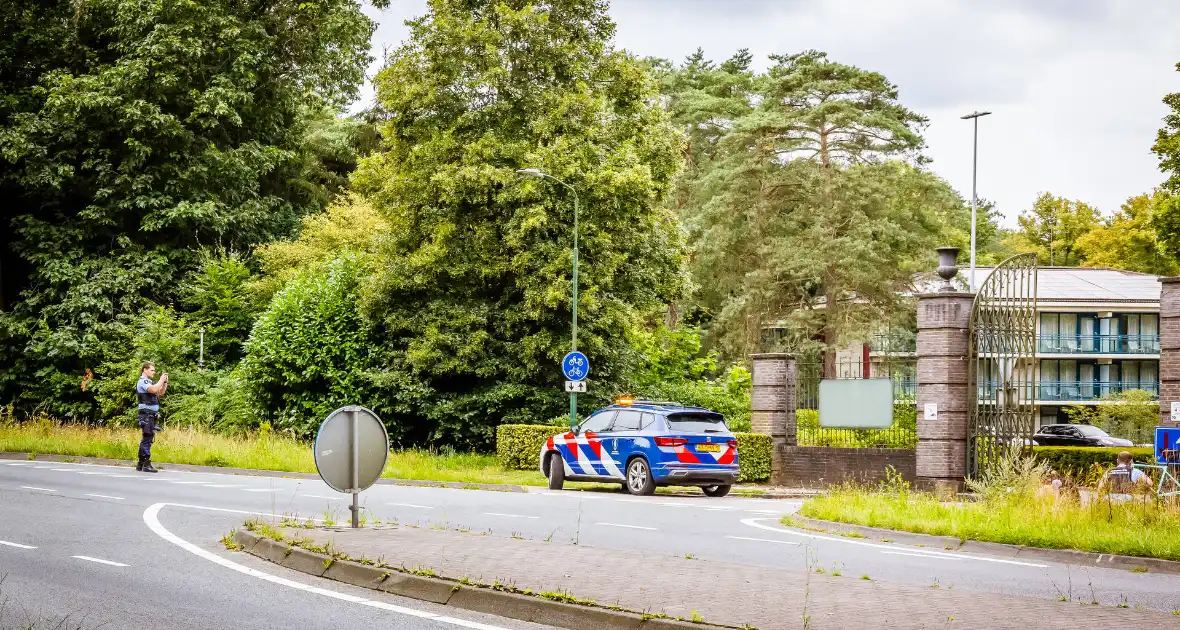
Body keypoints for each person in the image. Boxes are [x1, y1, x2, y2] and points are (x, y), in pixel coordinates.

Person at [135, 362, 168, 473]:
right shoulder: (143, 382)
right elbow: (154, 390)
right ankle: (146, 463)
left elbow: (161, 392)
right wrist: (160, 380)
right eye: (152, 370)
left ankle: (140, 463)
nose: (154, 372)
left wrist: (164, 382)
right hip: (146, 414)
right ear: (145, 370)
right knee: (148, 437)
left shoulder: (150, 382)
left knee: (147, 437)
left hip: (150, 415)